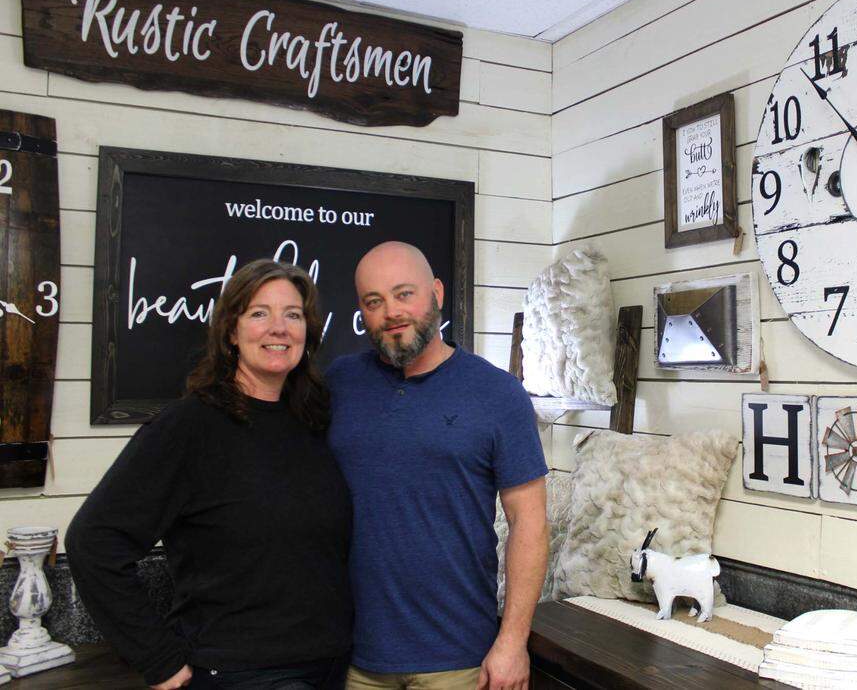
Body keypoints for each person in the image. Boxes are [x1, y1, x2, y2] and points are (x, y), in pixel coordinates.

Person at [66, 259, 353, 690]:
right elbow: (93, 542)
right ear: (231, 332)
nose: (279, 327)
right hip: (241, 672)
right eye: (259, 313)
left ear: (307, 334)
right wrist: (157, 659)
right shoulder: (190, 425)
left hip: (331, 663)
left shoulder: (314, 421)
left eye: (292, 315)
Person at [326, 242, 548, 690]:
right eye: (374, 302)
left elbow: (530, 523)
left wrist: (512, 641)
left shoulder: (498, 394)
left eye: (404, 294)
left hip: (460, 657)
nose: (391, 312)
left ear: (437, 293)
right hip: (356, 657)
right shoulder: (338, 384)